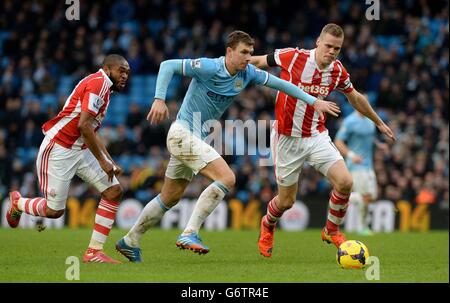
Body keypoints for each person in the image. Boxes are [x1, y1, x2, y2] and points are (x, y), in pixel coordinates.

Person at [115, 30, 340, 262]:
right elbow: (167, 65)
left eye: (251, 53)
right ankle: (190, 233)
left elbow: (282, 85)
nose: (248, 57)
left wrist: (314, 101)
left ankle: (130, 240)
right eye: (243, 52)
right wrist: (159, 99)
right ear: (229, 52)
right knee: (227, 178)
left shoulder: (248, 73)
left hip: (195, 139)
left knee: (170, 197)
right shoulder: (209, 67)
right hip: (182, 134)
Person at [250, 23, 395, 257]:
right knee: (286, 201)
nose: (332, 51)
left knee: (346, 182)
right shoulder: (292, 56)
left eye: (337, 48)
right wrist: (229, 66)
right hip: (287, 139)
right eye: (328, 46)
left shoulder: (337, 70)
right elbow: (257, 61)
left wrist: (378, 122)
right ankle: (268, 224)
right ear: (318, 41)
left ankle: (331, 230)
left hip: (316, 135)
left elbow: (355, 97)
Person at [6, 54, 130, 263]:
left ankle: (94, 252)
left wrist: (109, 161)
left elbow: (90, 130)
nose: (125, 76)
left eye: (127, 72)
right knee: (54, 211)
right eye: (121, 71)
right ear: (108, 69)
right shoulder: (99, 83)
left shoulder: (104, 89)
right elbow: (83, 125)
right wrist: (102, 161)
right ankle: (18, 203)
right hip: (59, 149)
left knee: (113, 191)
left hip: (80, 149)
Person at [334, 109, 388, 235]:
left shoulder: (370, 120)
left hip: (369, 165)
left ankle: (361, 224)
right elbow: (338, 141)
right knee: (366, 195)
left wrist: (379, 145)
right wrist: (351, 155)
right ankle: (361, 226)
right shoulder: (350, 121)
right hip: (356, 165)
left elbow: (369, 137)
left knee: (371, 196)